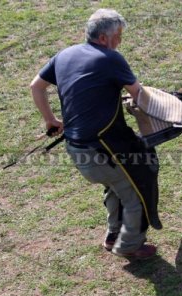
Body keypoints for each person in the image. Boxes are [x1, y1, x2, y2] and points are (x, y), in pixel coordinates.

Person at [30, 9, 161, 259]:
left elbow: (36, 86)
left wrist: (50, 121)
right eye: (118, 36)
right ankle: (129, 246)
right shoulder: (111, 58)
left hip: (77, 150)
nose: (120, 41)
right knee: (138, 188)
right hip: (103, 150)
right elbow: (140, 96)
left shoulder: (64, 54)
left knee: (118, 184)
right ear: (103, 38)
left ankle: (113, 235)